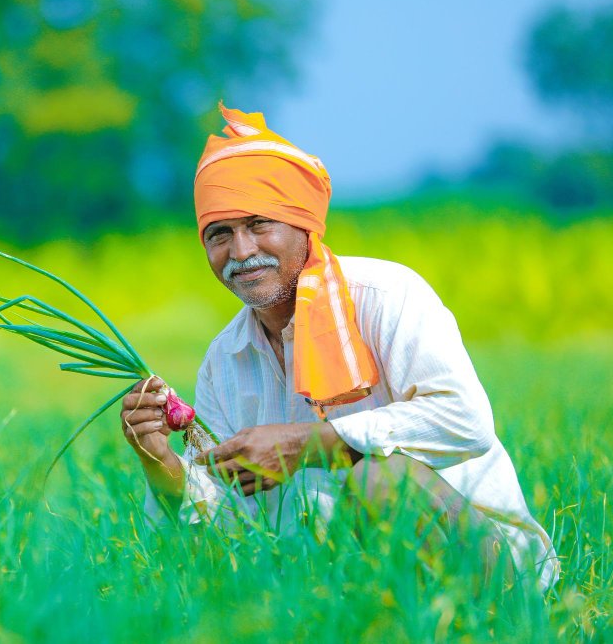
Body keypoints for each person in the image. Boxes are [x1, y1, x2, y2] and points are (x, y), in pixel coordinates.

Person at [119, 102, 558, 591]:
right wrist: (159, 461)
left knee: (379, 481)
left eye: (260, 224)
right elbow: (225, 522)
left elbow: (465, 421)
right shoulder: (225, 359)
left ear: (303, 225)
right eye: (220, 234)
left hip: (488, 567)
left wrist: (306, 445)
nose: (241, 253)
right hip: (338, 582)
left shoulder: (387, 296)